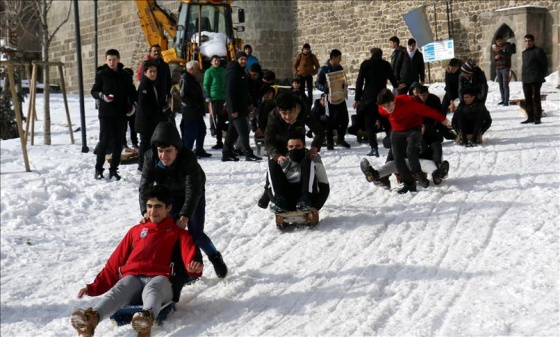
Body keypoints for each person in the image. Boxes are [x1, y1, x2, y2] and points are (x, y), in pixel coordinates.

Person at [70, 185, 203, 337]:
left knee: (153, 287)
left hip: (163, 281)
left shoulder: (178, 233)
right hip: (134, 278)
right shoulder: (136, 231)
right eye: (149, 206)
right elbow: (115, 262)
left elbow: (189, 254)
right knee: (120, 288)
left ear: (168, 208)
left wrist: (193, 267)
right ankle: (91, 319)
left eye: (158, 207)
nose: (153, 211)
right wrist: (94, 287)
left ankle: (145, 320)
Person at [139, 121, 228, 279]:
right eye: (160, 151)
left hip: (194, 193)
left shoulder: (187, 157)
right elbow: (144, 187)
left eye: (168, 151)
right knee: (171, 233)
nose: (163, 156)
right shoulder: (150, 158)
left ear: (177, 149)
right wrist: (145, 211)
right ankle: (184, 269)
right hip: (170, 195)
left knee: (195, 232)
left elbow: (192, 189)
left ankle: (214, 256)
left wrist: (185, 215)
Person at [377, 89, 451, 194]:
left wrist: (443, 119)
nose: (388, 108)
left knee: (410, 151)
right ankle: (409, 184)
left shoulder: (408, 103)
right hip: (397, 131)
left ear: (394, 100)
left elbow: (427, 111)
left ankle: (418, 174)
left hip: (414, 128)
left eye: (389, 104)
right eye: (385, 106)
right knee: (398, 158)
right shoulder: (381, 109)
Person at [91, 49, 137, 181]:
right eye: (109, 60)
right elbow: (94, 90)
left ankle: (114, 170)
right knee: (105, 141)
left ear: (119, 59)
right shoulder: (102, 74)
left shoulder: (125, 75)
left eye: (114, 59)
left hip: (121, 113)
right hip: (106, 113)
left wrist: (133, 105)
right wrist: (102, 96)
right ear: (106, 60)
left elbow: (132, 92)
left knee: (118, 143)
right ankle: (98, 169)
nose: (112, 62)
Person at [267, 134, 330, 223]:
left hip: (308, 198)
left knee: (307, 162)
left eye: (298, 146)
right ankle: (280, 202)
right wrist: (272, 200)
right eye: (291, 146)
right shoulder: (283, 160)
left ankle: (305, 199)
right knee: (272, 162)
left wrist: (316, 206)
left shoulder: (314, 159)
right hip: (288, 197)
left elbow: (324, 186)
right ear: (287, 147)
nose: (294, 149)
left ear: (303, 146)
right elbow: (269, 186)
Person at [353, 47, 399, 157]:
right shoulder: (385, 64)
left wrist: (357, 98)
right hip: (382, 95)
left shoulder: (366, 64)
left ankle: (374, 148)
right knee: (387, 121)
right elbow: (392, 78)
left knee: (369, 123)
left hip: (368, 96)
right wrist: (396, 85)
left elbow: (359, 82)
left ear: (371, 54)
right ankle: (393, 144)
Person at [222, 51, 261, 162]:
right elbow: (230, 92)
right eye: (241, 59)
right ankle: (248, 154)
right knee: (243, 131)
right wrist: (233, 109)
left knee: (232, 132)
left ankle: (226, 153)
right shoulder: (233, 72)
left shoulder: (240, 71)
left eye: (245, 59)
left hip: (241, 107)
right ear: (237, 59)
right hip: (236, 109)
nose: (243, 61)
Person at [135, 61, 168, 171]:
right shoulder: (145, 85)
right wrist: (157, 114)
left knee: (152, 143)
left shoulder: (153, 84)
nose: (153, 74)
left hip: (153, 121)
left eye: (155, 71)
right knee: (145, 144)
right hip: (146, 121)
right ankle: (142, 165)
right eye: (151, 72)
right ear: (145, 73)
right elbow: (144, 105)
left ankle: (152, 163)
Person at [316, 49, 350, 149]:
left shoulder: (339, 67)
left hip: (340, 96)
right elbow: (318, 83)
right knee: (330, 120)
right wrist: (325, 89)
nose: (340, 60)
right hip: (330, 98)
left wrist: (344, 86)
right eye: (339, 58)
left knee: (345, 119)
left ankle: (341, 138)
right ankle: (330, 141)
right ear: (333, 58)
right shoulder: (324, 69)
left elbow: (342, 80)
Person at [179, 60, 211, 158]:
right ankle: (187, 152)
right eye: (196, 68)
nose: (198, 71)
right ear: (191, 69)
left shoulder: (193, 79)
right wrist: (193, 105)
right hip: (190, 111)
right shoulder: (185, 79)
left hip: (197, 111)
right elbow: (183, 96)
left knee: (202, 130)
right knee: (190, 133)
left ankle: (199, 149)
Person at [360, 156, 450, 190]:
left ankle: (437, 174)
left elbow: (436, 146)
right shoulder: (399, 134)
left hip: (421, 160)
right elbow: (391, 152)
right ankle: (375, 174)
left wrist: (438, 162)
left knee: (429, 164)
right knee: (392, 164)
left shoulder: (429, 135)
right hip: (404, 161)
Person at [521, 34, 548, 125]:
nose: (527, 42)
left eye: (529, 41)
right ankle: (530, 117)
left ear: (532, 41)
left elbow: (544, 64)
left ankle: (537, 117)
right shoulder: (524, 53)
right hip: (526, 78)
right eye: (526, 41)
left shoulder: (538, 51)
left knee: (536, 99)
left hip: (536, 78)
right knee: (527, 98)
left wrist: (541, 75)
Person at [138, 44, 172, 113]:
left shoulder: (165, 65)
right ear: (150, 53)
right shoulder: (146, 64)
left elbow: (168, 80)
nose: (157, 52)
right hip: (151, 96)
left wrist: (169, 95)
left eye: (158, 51)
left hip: (162, 97)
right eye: (155, 51)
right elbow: (143, 79)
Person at [203, 55, 227, 149]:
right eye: (215, 61)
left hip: (222, 97)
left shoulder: (223, 71)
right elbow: (206, 85)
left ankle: (220, 138)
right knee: (213, 116)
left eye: (218, 60)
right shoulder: (209, 72)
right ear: (211, 62)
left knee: (221, 119)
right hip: (213, 98)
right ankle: (214, 132)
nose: (217, 62)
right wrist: (207, 95)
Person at [292, 43, 320, 110]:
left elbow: (317, 66)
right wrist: (297, 72)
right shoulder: (300, 56)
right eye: (305, 49)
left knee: (310, 91)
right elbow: (294, 65)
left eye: (307, 49)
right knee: (301, 90)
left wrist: (313, 72)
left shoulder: (312, 56)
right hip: (301, 75)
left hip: (309, 75)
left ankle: (309, 105)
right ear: (303, 49)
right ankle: (303, 102)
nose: (306, 50)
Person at [492, 36, 515, 106]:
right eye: (497, 42)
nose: (498, 43)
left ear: (502, 40)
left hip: (505, 67)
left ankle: (506, 100)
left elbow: (507, 55)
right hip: (498, 67)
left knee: (505, 84)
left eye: (499, 41)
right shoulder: (497, 48)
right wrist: (495, 58)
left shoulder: (508, 46)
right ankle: (503, 99)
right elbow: (494, 59)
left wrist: (500, 52)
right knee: (500, 85)